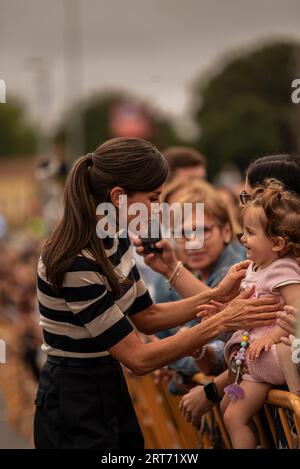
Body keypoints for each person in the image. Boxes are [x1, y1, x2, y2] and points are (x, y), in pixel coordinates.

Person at [34, 137, 279, 449]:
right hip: (74, 393)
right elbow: (138, 357)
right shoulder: (76, 261)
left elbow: (148, 316)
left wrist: (215, 294)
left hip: (105, 381)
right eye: (153, 198)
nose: (159, 209)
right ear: (119, 198)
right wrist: (221, 321)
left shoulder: (113, 238)